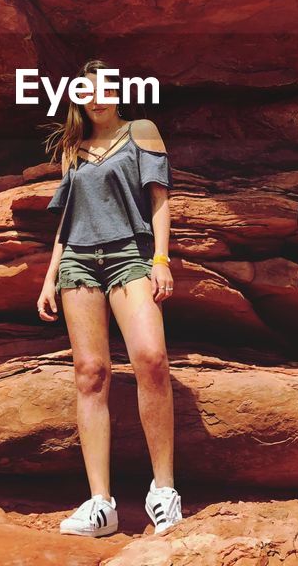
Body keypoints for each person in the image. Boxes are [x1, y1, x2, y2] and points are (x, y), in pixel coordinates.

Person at [36, 59, 183, 538]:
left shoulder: (142, 130)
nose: (96, 96)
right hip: (79, 260)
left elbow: (159, 198)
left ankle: (163, 490)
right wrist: (49, 276)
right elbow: (67, 219)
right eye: (86, 90)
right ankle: (101, 504)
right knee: (90, 373)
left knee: (151, 358)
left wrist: (161, 260)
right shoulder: (72, 147)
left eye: (104, 88)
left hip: (130, 255)